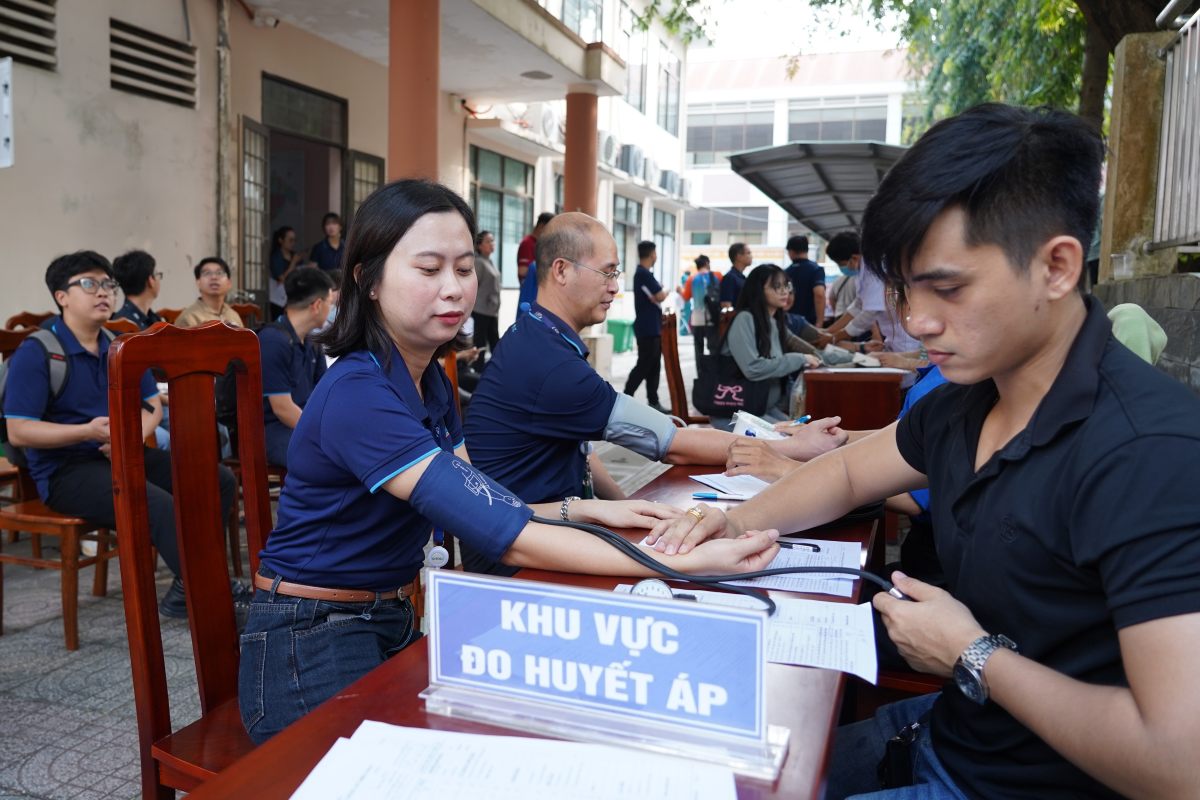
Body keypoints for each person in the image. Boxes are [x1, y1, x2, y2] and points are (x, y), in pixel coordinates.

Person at [648, 104, 1200, 800]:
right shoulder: (970, 399)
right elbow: (849, 471)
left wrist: (973, 654)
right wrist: (731, 521)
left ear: (1057, 266)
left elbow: (1180, 764)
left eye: (948, 288)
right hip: (949, 732)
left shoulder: (1150, 454)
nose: (917, 321)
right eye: (907, 290)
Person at [237, 180, 783, 744]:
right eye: (429, 269)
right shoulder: (358, 393)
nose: (454, 288)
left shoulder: (428, 382)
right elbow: (508, 536)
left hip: (389, 621)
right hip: (310, 638)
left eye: (464, 268)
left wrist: (585, 510)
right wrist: (678, 563)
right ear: (367, 280)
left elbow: (480, 500)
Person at [462, 212, 848, 576]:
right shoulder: (551, 365)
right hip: (517, 557)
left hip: (545, 530)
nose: (615, 286)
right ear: (561, 270)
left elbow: (582, 449)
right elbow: (672, 442)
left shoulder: (534, 332)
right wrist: (790, 447)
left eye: (616, 273)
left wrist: (627, 509)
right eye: (607, 272)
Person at [4, 251, 238, 618]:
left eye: (108, 284)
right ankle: (211, 594)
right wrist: (86, 431)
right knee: (156, 502)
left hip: (122, 454)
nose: (103, 292)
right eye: (89, 284)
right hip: (66, 471)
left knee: (217, 479)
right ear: (61, 296)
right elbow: (19, 431)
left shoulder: (119, 345)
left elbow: (151, 405)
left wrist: (128, 439)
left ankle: (189, 584)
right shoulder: (39, 352)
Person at [717, 264, 821, 427]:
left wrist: (857, 355)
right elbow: (753, 368)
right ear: (758, 290)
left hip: (762, 407)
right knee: (797, 437)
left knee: (804, 430)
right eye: (776, 286)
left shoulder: (774, 323)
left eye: (786, 285)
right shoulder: (745, 319)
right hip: (736, 411)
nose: (784, 292)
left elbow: (810, 350)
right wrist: (800, 359)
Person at [259, 267, 334, 467]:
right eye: (330, 303)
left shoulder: (312, 343)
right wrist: (322, 434)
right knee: (331, 461)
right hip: (273, 430)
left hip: (303, 424)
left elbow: (325, 393)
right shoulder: (272, 341)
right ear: (317, 305)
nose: (331, 309)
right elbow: (282, 408)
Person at [623, 240, 668, 413]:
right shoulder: (643, 274)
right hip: (647, 328)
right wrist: (664, 291)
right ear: (652, 254)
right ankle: (626, 397)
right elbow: (660, 295)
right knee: (644, 364)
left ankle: (653, 401)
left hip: (652, 327)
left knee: (654, 366)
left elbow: (657, 296)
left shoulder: (644, 274)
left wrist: (659, 294)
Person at [175, 257, 243, 329]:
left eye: (219, 273)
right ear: (198, 282)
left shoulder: (234, 316)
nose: (214, 277)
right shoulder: (188, 318)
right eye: (207, 273)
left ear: (229, 283)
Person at [471, 230, 501, 370]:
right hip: (481, 310)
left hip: (491, 310)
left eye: (492, 240)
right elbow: (473, 286)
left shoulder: (489, 261)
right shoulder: (478, 262)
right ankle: (478, 371)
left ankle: (497, 369)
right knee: (481, 342)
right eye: (488, 241)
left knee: (494, 341)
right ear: (480, 245)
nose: (492, 244)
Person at [681, 255, 721, 361]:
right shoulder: (717, 276)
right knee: (714, 347)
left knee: (698, 348)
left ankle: (700, 369)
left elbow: (686, 297)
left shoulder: (691, 279)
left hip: (697, 318)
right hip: (713, 316)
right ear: (707, 263)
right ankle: (714, 368)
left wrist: (680, 290)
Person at [111, 250, 164, 329]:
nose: (159, 280)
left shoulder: (154, 319)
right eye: (158, 275)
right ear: (150, 280)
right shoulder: (122, 325)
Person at [516, 212, 555, 312]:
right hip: (530, 292)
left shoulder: (540, 244)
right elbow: (522, 271)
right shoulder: (527, 243)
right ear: (542, 226)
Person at [784, 235, 826, 325]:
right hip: (809, 322)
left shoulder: (785, 272)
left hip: (789, 321)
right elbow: (819, 294)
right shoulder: (816, 269)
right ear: (807, 250)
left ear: (790, 251)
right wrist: (819, 322)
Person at [268, 226, 304, 319]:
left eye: (294, 240)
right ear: (281, 240)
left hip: (293, 296)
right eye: (290, 240)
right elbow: (282, 278)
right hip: (279, 299)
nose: (293, 243)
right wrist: (293, 263)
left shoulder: (294, 255)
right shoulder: (276, 257)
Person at [719, 241, 752, 309]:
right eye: (748, 253)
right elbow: (726, 305)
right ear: (738, 256)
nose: (751, 256)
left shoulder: (742, 278)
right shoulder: (730, 278)